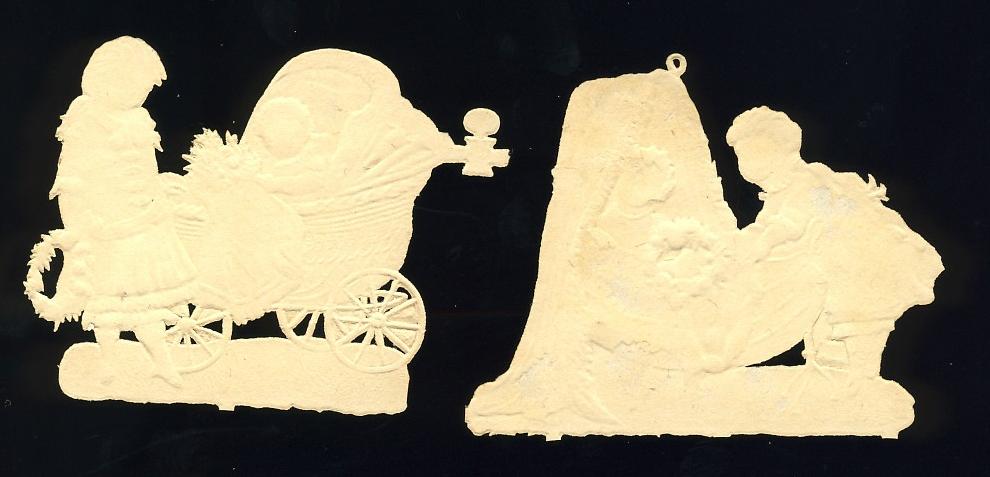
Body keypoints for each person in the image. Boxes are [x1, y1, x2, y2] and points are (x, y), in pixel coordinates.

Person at [727, 106, 942, 378]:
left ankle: (856, 380)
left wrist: (754, 245)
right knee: (829, 335)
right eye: (741, 154)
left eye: (750, 151)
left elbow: (786, 225)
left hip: (860, 278)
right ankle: (840, 375)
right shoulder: (786, 188)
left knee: (853, 336)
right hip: (837, 282)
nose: (744, 161)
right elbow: (774, 227)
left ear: (779, 149)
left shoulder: (806, 182)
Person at [52, 37, 195, 385]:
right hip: (105, 225)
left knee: (145, 300)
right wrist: (81, 221)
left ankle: (162, 362)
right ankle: (108, 362)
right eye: (134, 86)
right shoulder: (86, 117)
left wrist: (157, 198)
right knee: (108, 301)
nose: (140, 95)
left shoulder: (139, 119)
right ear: (107, 79)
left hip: (141, 223)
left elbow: (146, 167)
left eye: (145, 89)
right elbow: (72, 176)